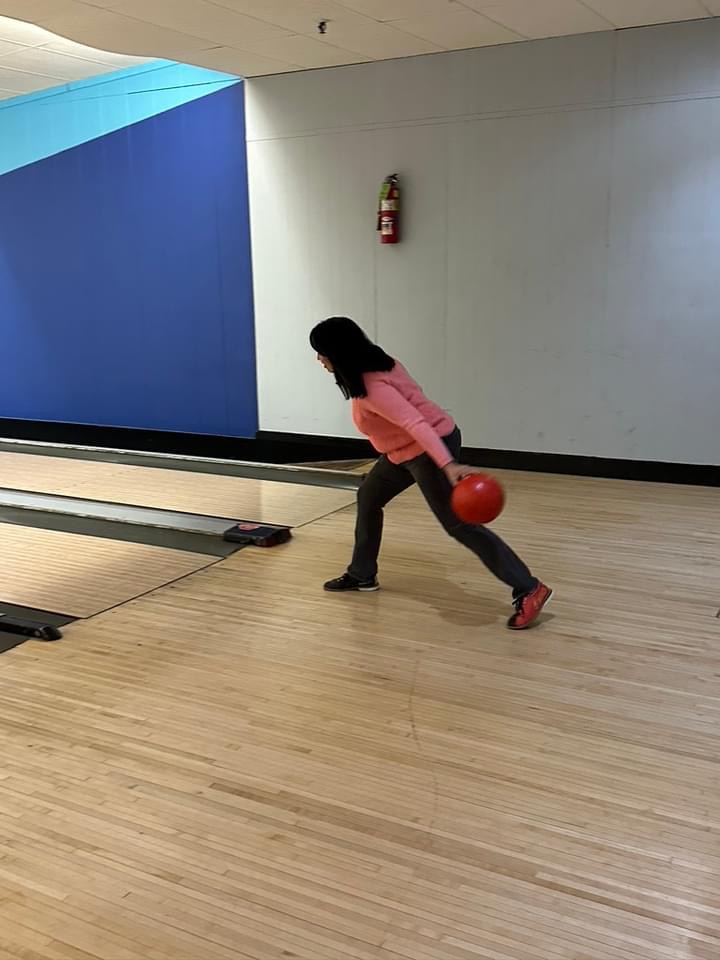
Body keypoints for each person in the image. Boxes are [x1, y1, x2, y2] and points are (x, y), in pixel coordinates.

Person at [310, 317, 552, 630]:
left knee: (459, 525)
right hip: (402, 452)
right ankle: (362, 574)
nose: (319, 359)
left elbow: (415, 422)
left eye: (321, 352)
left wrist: (446, 464)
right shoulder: (375, 365)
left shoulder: (373, 387)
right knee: (368, 496)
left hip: (428, 450)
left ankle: (528, 587)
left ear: (339, 353)